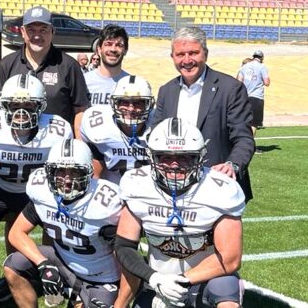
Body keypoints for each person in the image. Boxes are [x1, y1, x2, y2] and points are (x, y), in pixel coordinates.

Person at [0, 73, 73, 307]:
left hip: (34, 195)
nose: (21, 111)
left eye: (29, 105)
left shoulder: (56, 130)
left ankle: (45, 287)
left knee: (57, 241)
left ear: (41, 106)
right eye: (15, 105)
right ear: (4, 105)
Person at [113, 118, 245, 308]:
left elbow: (230, 259)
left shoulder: (221, 190)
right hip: (157, 279)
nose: (174, 165)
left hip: (205, 279)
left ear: (199, 157)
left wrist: (180, 280)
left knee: (225, 292)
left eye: (184, 157)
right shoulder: (136, 185)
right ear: (152, 157)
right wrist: (156, 279)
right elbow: (124, 247)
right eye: (165, 157)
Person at [4, 139, 125, 308]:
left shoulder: (105, 206)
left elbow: (127, 258)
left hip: (101, 279)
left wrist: (121, 302)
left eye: (75, 172)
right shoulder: (44, 193)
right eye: (60, 171)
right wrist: (43, 264)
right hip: (63, 263)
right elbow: (16, 233)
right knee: (14, 265)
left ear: (89, 173)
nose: (67, 180)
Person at [151, 27, 255, 201]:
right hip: (173, 187)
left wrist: (233, 165)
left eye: (193, 53)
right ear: (172, 57)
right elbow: (155, 137)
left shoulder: (231, 88)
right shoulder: (166, 91)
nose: (187, 60)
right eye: (180, 54)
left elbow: (243, 137)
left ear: (205, 54)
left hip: (218, 186)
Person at [0, 6, 89, 135]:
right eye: (31, 30)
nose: (37, 36)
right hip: (14, 144)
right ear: (22, 31)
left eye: (43, 30)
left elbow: (80, 108)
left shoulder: (69, 65)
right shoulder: (7, 64)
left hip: (55, 146)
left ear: (53, 31)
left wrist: (78, 144)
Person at [80, 75, 154, 184]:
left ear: (149, 105)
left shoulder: (158, 127)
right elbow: (95, 175)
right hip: (113, 191)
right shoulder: (99, 127)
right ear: (114, 103)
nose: (131, 108)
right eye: (124, 102)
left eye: (138, 102)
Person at [85, 25, 130, 106]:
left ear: (125, 50)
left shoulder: (131, 84)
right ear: (99, 49)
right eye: (108, 44)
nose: (113, 49)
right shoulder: (84, 81)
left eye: (119, 45)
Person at [236, 50, 270, 136]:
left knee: (243, 122)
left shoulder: (244, 67)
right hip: (256, 97)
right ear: (261, 58)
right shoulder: (262, 67)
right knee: (254, 124)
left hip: (244, 97)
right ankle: (249, 145)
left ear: (253, 56)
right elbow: (267, 83)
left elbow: (238, 82)